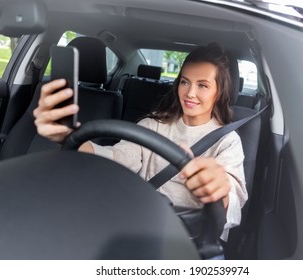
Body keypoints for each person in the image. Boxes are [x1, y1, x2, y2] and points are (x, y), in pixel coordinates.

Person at [33, 42, 247, 242]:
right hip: (142, 227)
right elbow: (118, 158)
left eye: (203, 85)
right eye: (185, 81)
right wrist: (70, 138)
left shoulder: (227, 141)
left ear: (220, 92)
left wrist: (219, 190)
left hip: (193, 240)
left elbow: (234, 205)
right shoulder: (154, 123)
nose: (190, 93)